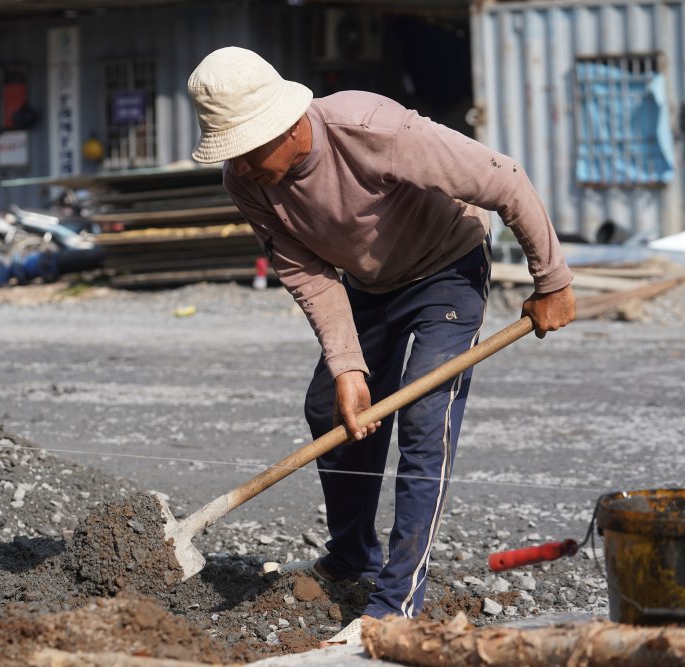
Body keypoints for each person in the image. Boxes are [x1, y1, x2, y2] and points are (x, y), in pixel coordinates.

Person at [186, 47, 576, 649]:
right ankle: (351, 556)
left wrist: (551, 280)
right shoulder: (247, 180)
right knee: (331, 408)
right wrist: (347, 366)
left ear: (290, 126)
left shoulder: (373, 129)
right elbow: (307, 272)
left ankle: (397, 601)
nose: (242, 164)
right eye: (231, 151)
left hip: (446, 266)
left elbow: (506, 179)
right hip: (367, 283)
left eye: (249, 147)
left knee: (424, 419)